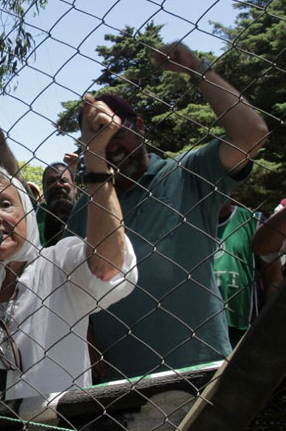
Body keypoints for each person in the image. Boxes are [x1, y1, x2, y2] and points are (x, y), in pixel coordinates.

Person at [66, 43, 269, 382]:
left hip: (199, 370)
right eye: (97, 136)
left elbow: (252, 135)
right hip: (115, 386)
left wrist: (196, 68)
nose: (111, 144)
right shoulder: (86, 208)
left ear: (141, 126)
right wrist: (84, 335)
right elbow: (70, 284)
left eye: (116, 130)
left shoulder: (187, 173)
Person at [0, 95, 137, 405]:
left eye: (5, 204)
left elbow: (107, 265)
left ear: (29, 214)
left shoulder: (58, 263)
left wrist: (95, 158)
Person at [213, 199, 282, 347]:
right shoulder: (191, 223)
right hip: (201, 325)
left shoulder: (253, 221)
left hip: (242, 326)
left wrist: (268, 324)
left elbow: (273, 278)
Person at [38, 159, 78, 246]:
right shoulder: (36, 217)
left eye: (63, 180)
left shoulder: (88, 214)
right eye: (50, 181)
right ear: (43, 188)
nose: (57, 185)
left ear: (75, 188)